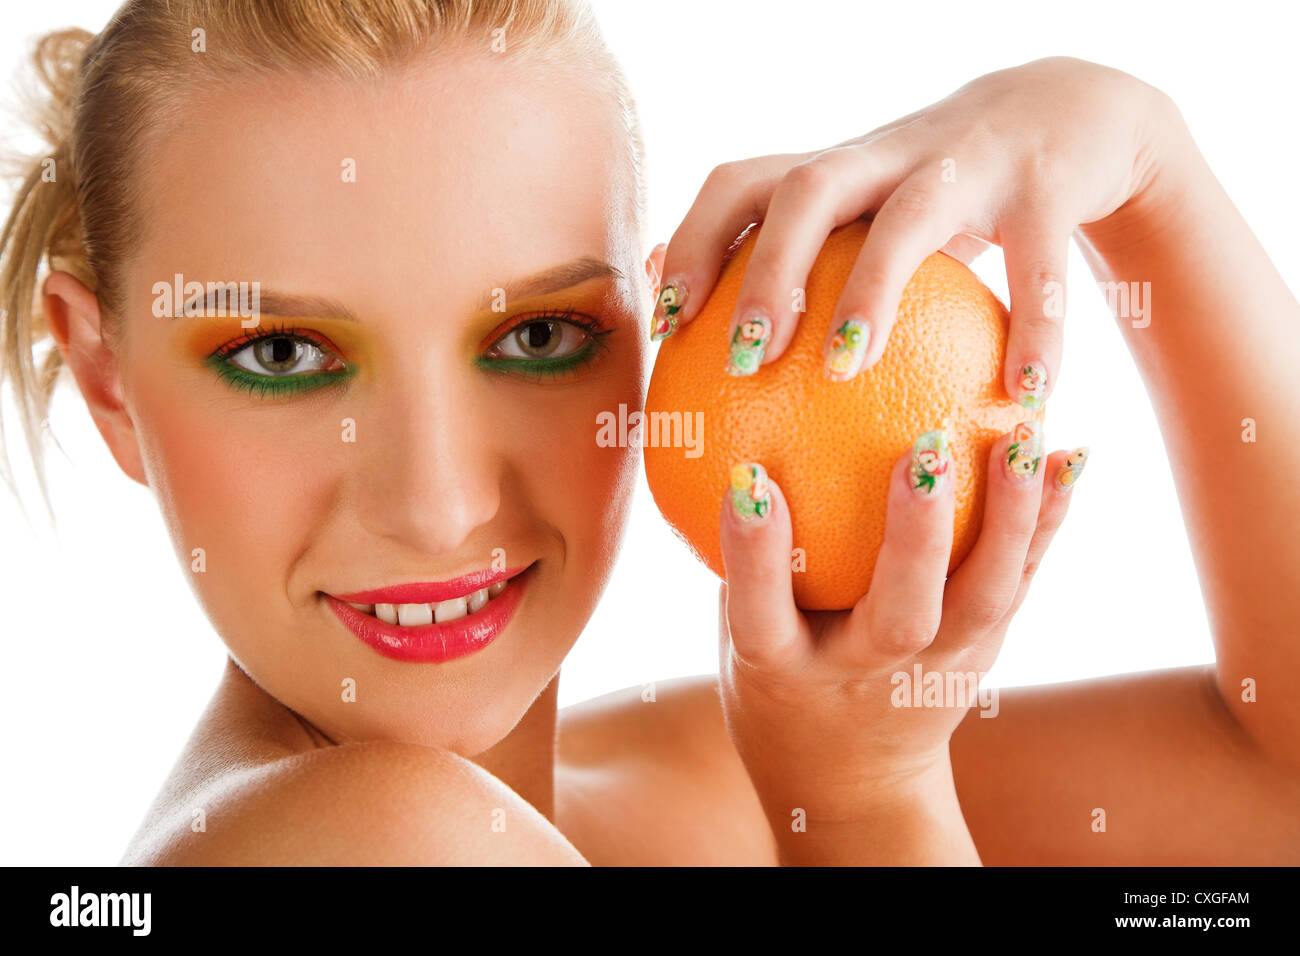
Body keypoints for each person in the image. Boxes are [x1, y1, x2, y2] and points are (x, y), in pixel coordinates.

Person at [1, 0, 1295, 865]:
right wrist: (869, 809)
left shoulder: (688, 775)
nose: (440, 505)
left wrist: (1146, 162)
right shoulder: (369, 840)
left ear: (663, 325)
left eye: (538, 338)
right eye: (283, 355)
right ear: (109, 379)